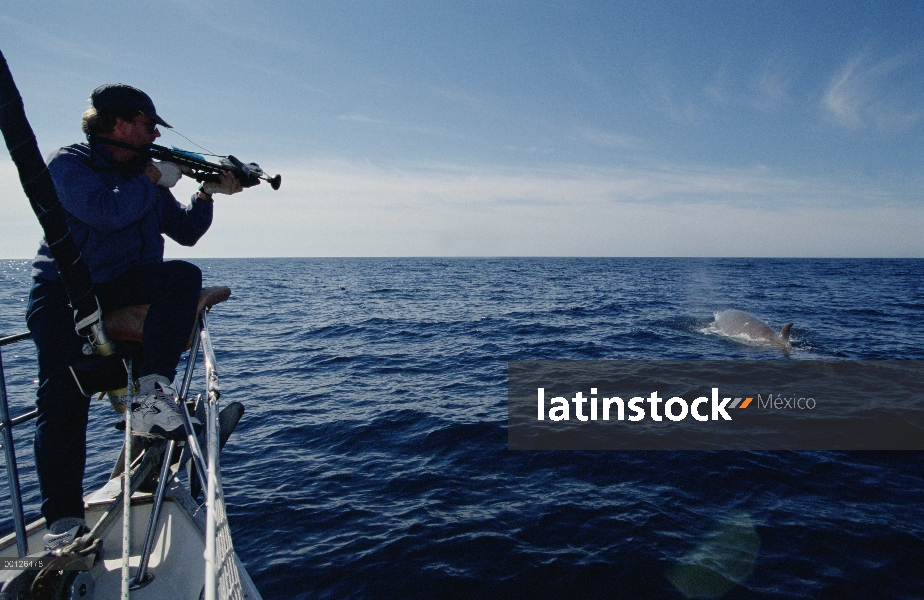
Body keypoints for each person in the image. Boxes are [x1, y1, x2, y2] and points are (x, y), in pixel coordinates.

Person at [27, 83, 243, 549]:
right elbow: (105, 214)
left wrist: (206, 193)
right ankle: (63, 523)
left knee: (183, 274)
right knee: (64, 404)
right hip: (68, 294)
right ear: (118, 123)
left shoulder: (142, 173)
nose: (152, 135)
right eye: (148, 125)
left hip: (121, 284)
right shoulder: (70, 166)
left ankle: (152, 394)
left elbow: (184, 233)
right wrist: (151, 180)